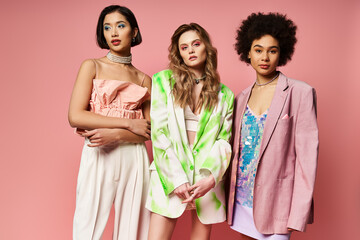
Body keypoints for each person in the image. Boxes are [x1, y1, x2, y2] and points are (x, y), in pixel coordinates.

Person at [227, 12, 319, 240]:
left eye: (272, 50)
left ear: (282, 53)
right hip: (241, 200)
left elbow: (307, 159)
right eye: (258, 50)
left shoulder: (300, 93)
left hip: (277, 205)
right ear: (247, 53)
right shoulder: (240, 98)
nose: (264, 57)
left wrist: (296, 214)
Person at [68, 5, 151, 240]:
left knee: (133, 227)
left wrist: (115, 134)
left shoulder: (145, 79)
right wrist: (126, 124)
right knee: (87, 224)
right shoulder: (92, 66)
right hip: (98, 152)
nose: (113, 33)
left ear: (134, 32)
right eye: (107, 27)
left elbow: (147, 130)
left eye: (120, 26)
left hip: (134, 157)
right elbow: (75, 116)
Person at [146, 23, 234, 240]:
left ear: (207, 48)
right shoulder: (162, 81)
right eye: (184, 47)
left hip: (204, 182)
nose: (191, 50)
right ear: (179, 53)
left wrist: (210, 178)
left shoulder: (225, 94)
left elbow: (224, 141)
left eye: (196, 44)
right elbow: (159, 133)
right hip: (169, 175)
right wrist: (176, 179)